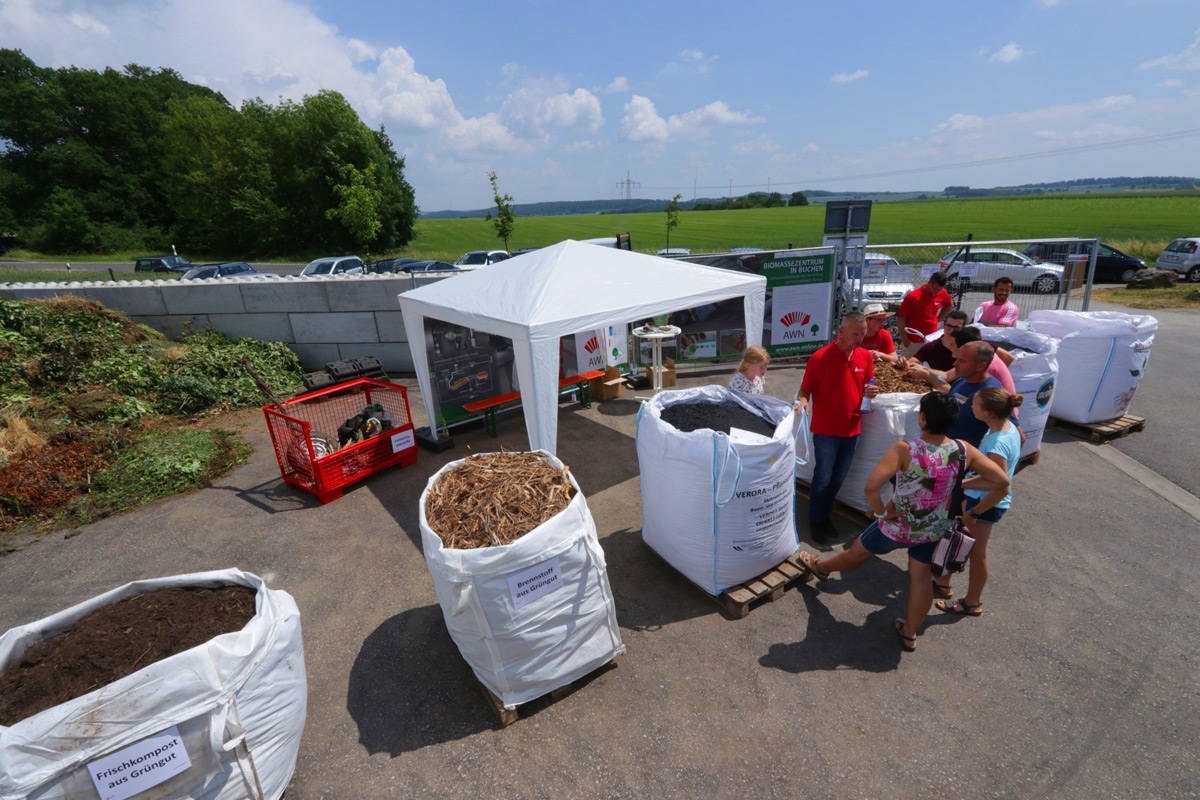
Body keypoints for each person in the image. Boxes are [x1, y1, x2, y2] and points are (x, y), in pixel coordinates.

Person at [796, 392, 1010, 651]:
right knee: (920, 578)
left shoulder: (905, 449)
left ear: (922, 418)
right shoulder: (964, 449)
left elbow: (871, 488)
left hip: (900, 525)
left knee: (858, 551)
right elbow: (1001, 482)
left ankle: (822, 567)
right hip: (934, 528)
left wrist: (881, 513)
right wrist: (963, 492)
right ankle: (909, 633)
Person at [933, 387, 1023, 614]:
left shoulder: (996, 444)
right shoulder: (1007, 428)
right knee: (960, 541)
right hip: (978, 501)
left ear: (988, 412)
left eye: (974, 404)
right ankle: (943, 583)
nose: (970, 407)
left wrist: (972, 507)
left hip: (984, 505)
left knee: (977, 552)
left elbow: (1001, 486)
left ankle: (972, 602)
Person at [795, 312, 879, 545]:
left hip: (852, 430)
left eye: (863, 334)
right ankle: (815, 519)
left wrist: (871, 392)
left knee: (838, 478)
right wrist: (802, 403)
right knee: (823, 477)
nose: (860, 339)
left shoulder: (865, 357)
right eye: (855, 334)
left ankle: (824, 515)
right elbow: (805, 391)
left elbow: (867, 388)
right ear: (841, 331)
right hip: (826, 431)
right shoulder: (820, 358)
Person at [907, 328, 1019, 416]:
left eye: (951, 345)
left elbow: (957, 394)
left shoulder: (982, 366)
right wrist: (922, 368)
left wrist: (928, 376)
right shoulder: (975, 360)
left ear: (964, 347)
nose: (948, 347)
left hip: (998, 415)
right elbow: (946, 375)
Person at [897, 272, 954, 356]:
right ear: (929, 282)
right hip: (914, 341)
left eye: (939, 290)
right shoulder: (913, 296)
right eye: (935, 289)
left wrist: (938, 319)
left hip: (932, 339)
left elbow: (949, 304)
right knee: (909, 367)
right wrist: (906, 340)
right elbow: (901, 319)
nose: (936, 292)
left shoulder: (942, 293)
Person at [903, 309, 969, 372]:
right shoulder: (931, 347)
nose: (951, 330)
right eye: (949, 326)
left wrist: (924, 369)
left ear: (964, 328)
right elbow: (911, 362)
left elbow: (947, 376)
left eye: (956, 328)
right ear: (944, 325)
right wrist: (903, 363)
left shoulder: (969, 349)